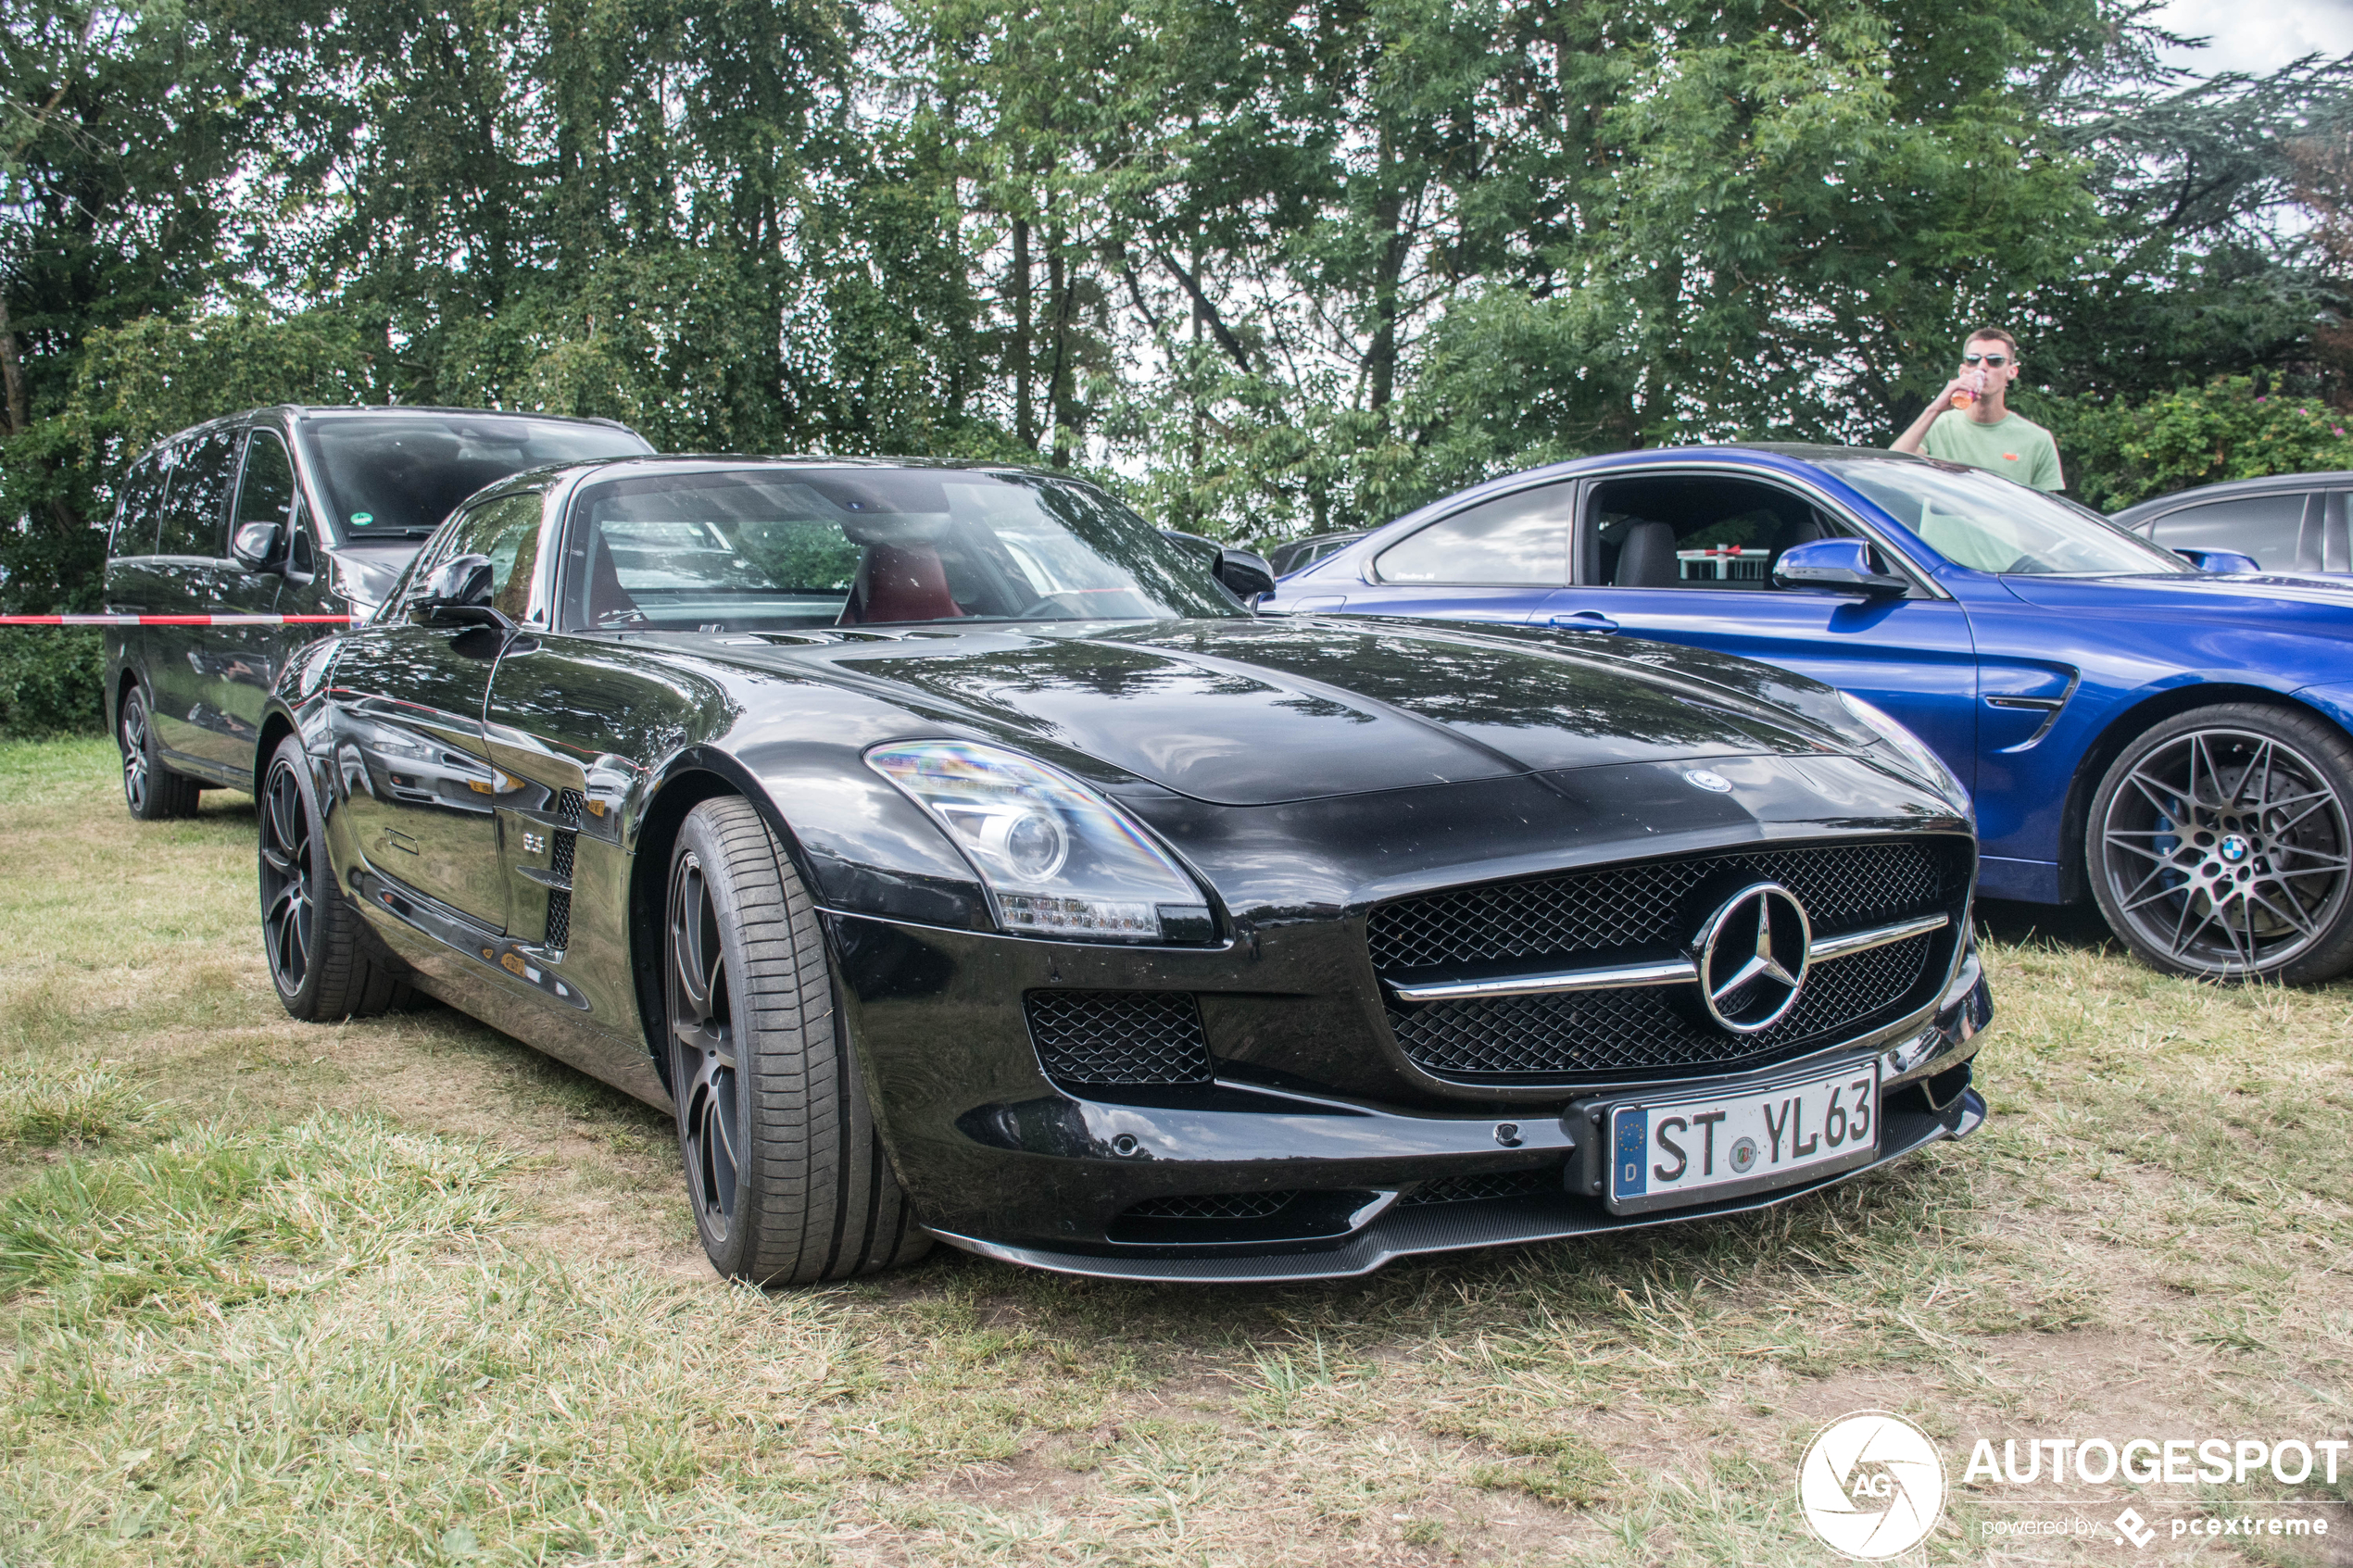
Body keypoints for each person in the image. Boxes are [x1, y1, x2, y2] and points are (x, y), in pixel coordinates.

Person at [1890, 327, 2065, 492]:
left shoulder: (2037, 440)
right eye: (1973, 360)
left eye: (1995, 361)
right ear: (1962, 370)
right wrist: (1935, 408)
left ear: (2011, 371)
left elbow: (2047, 514)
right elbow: (1891, 468)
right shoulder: (1937, 424)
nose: (1982, 367)